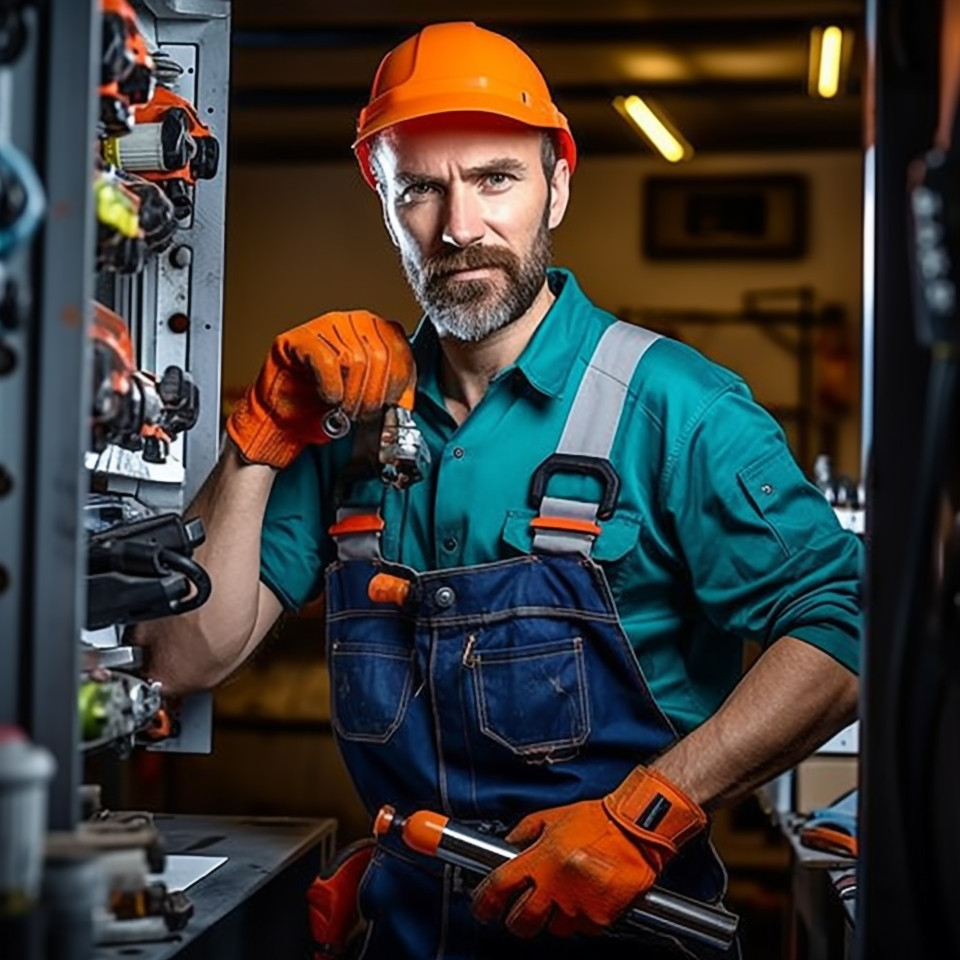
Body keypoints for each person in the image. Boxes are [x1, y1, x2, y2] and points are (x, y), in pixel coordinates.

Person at [137, 21, 861, 960]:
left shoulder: (678, 410)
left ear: (558, 181)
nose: (459, 226)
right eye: (421, 189)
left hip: (624, 940)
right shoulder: (346, 419)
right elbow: (181, 660)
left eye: (495, 179)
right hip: (402, 938)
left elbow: (845, 628)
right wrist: (260, 440)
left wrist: (651, 814)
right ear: (384, 201)